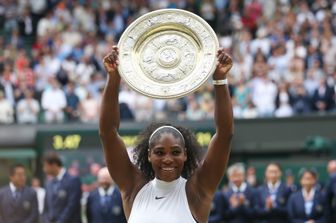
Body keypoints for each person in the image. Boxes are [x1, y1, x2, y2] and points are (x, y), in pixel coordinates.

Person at [99, 46, 233, 223]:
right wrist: (113, 78)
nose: (168, 159)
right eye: (160, 152)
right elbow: (108, 133)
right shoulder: (134, 187)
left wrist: (220, 80)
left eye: (176, 152)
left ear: (185, 154)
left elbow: (225, 134)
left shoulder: (197, 191)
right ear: (148, 155)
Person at [43, 152, 82, 223]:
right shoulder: (49, 184)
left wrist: (60, 221)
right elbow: (46, 208)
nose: (44, 169)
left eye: (45, 166)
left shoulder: (73, 180)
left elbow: (72, 206)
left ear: (54, 165)